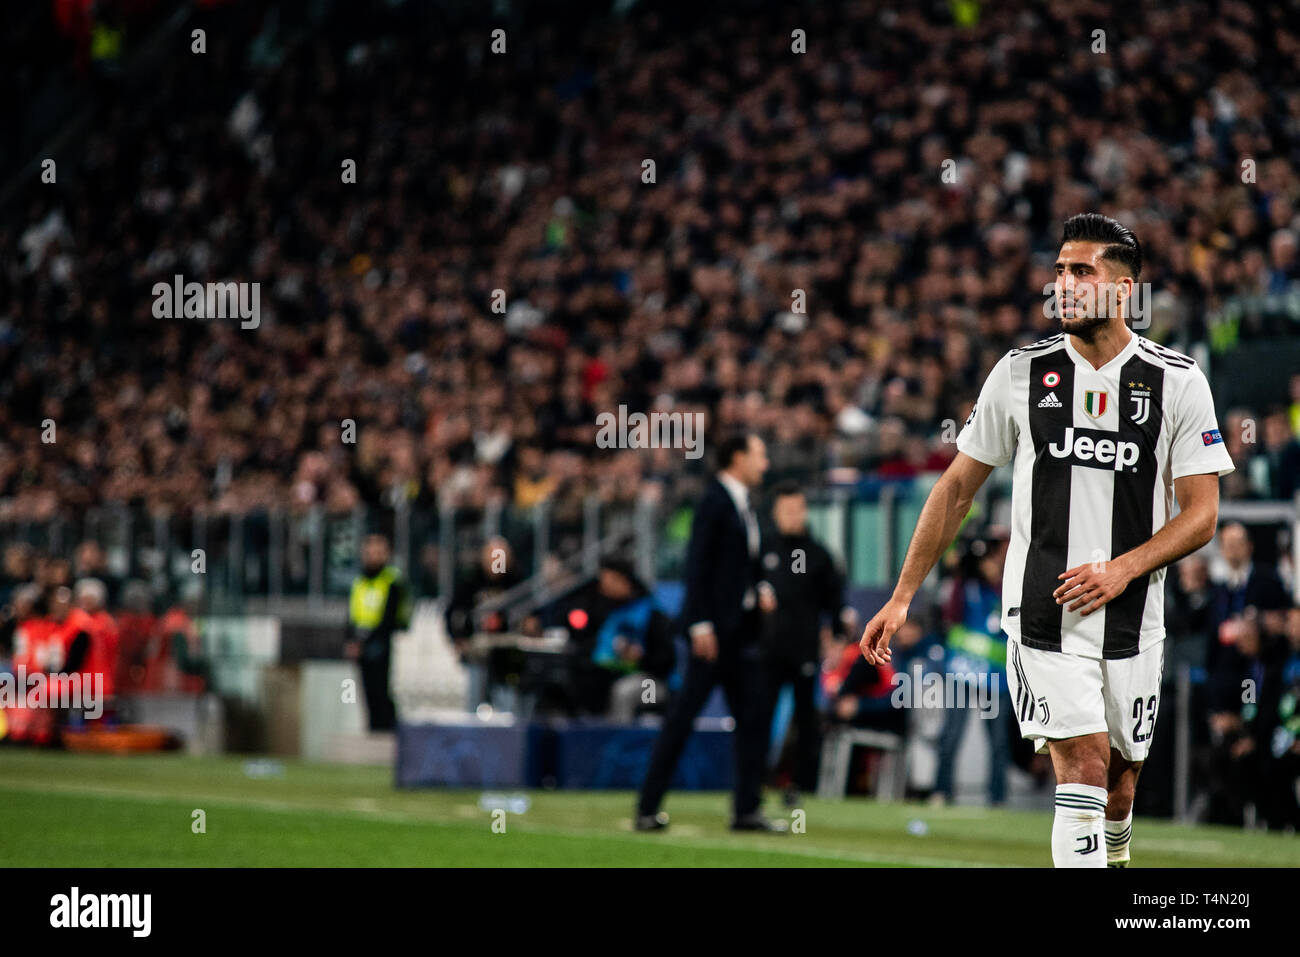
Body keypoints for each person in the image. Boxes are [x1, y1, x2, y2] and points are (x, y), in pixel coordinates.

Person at [859, 214, 1234, 867]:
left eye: (1081, 271)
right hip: (1044, 617)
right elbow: (954, 490)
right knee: (1083, 764)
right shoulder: (1019, 374)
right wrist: (903, 594)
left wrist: (1124, 568)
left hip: (1135, 622)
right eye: (1059, 270)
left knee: (1119, 785)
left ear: (1122, 291)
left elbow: (1202, 513)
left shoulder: (1177, 381)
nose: (1062, 283)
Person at [635, 432, 783, 832]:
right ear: (736, 458)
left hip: (739, 636)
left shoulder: (743, 504)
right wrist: (699, 623)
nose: (765, 464)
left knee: (754, 718)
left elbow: (742, 567)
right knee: (682, 719)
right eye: (759, 455)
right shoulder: (714, 502)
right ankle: (647, 808)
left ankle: (746, 810)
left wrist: (761, 588)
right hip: (713, 637)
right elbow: (697, 566)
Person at [757, 481, 854, 803]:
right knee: (760, 716)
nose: (793, 516)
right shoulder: (762, 550)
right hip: (766, 650)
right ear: (775, 512)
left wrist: (839, 637)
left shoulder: (820, 555)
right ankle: (754, 780)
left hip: (804, 650)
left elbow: (836, 603)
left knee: (805, 721)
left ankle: (799, 785)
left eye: (798, 509)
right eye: (787, 510)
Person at [932, 530, 1015, 806]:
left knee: (998, 742)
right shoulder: (964, 585)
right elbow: (949, 616)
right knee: (951, 734)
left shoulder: (1011, 587)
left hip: (996, 675)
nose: (992, 565)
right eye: (988, 559)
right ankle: (942, 791)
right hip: (963, 670)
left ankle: (998, 798)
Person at [565, 558, 676, 720]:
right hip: (615, 674)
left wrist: (640, 657)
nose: (603, 587)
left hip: (653, 681)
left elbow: (666, 660)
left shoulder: (652, 612)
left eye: (608, 581)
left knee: (625, 692)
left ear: (623, 580)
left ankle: (624, 740)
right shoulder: (605, 608)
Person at [344, 534, 411, 732]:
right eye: (370, 552)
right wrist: (350, 640)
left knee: (381, 689)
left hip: (379, 642)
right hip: (361, 642)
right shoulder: (359, 581)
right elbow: (351, 614)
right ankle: (373, 730)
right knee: (367, 691)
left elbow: (389, 617)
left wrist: (363, 640)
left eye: (378, 552)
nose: (373, 557)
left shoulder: (392, 581)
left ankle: (386, 731)